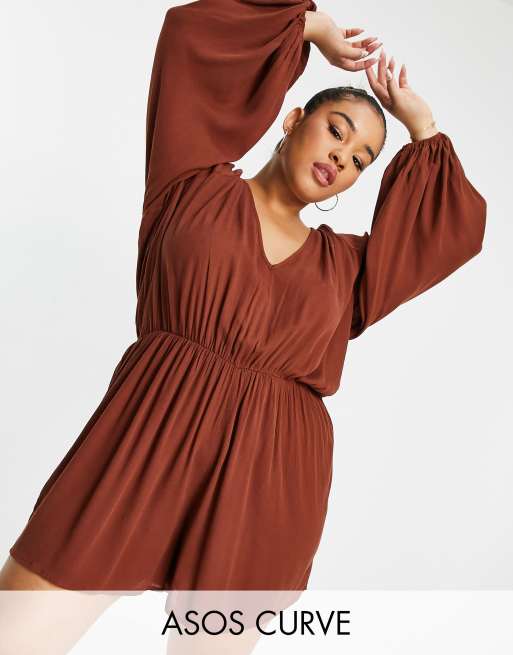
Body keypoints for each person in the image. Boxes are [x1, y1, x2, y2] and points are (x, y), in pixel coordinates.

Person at [1, 0, 485, 598]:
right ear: (292, 121)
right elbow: (187, 34)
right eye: (336, 131)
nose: (342, 156)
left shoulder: (348, 270)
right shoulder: (191, 181)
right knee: (17, 624)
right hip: (145, 438)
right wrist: (312, 28)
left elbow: (453, 233)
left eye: (360, 160)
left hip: (270, 474)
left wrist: (423, 125)